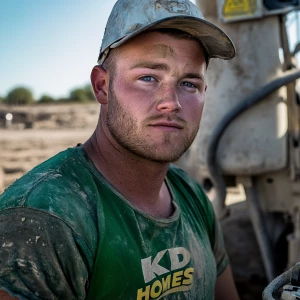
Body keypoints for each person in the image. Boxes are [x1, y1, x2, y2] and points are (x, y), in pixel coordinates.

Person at [0, 0, 240, 299]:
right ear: (102, 86)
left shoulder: (190, 194)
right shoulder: (44, 217)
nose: (172, 102)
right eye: (148, 78)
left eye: (189, 83)